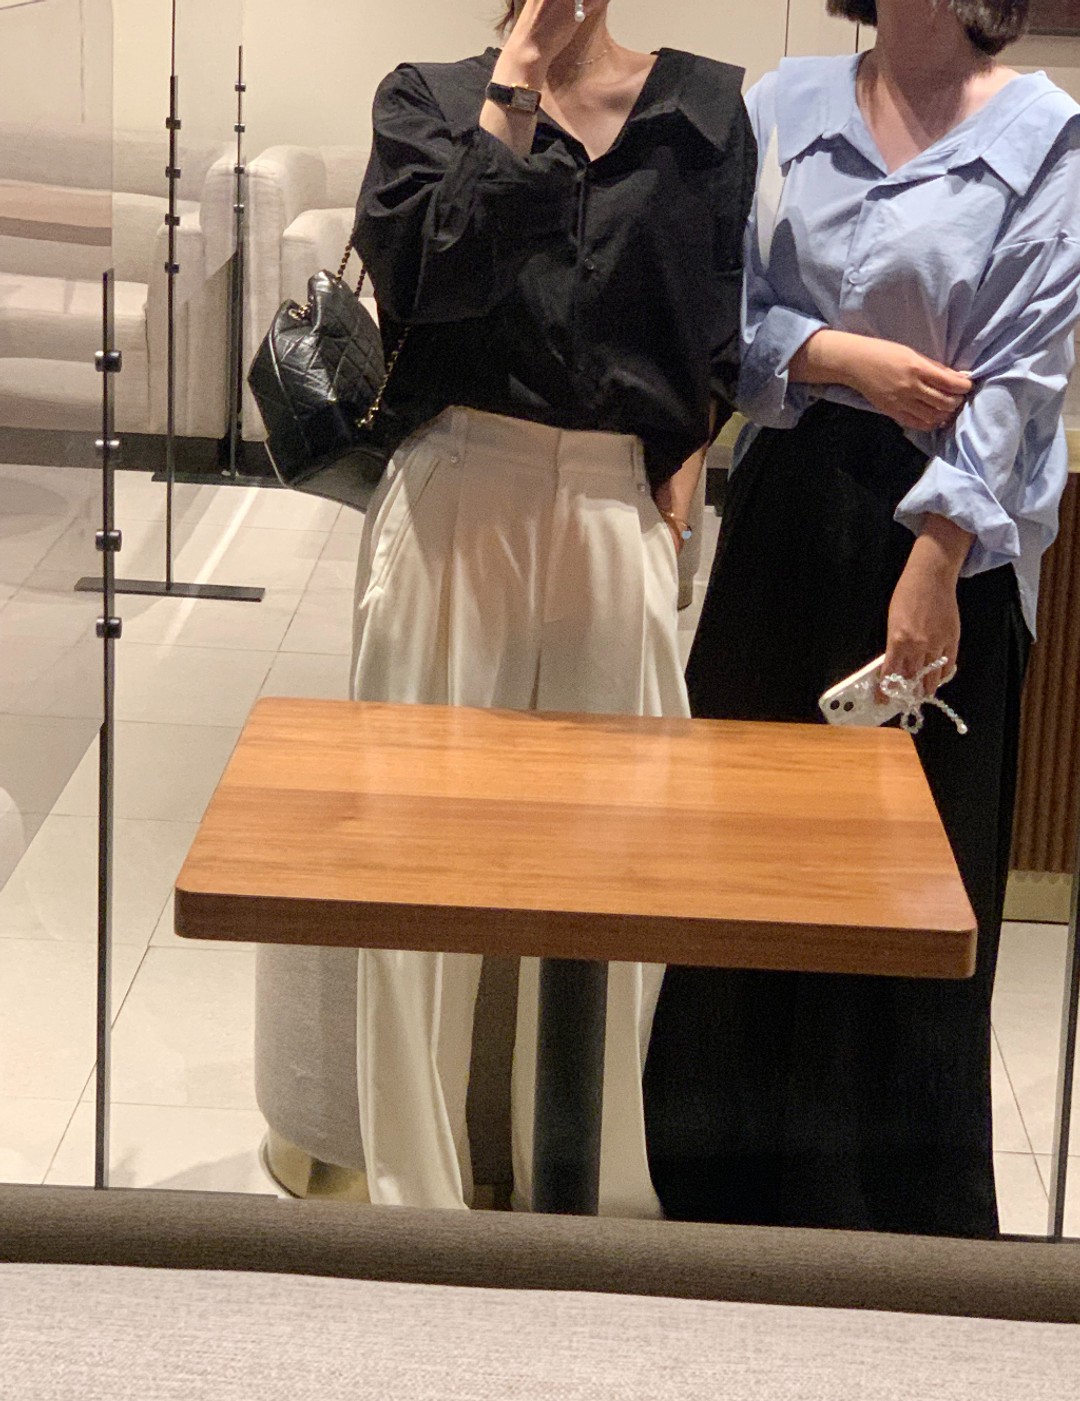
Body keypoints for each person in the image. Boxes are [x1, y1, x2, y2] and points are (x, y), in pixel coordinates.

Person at [645, 0, 1080, 1238]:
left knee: (908, 878)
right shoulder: (783, 105)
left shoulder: (1048, 135)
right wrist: (840, 357)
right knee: (750, 850)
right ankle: (719, 1183)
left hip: (951, 538)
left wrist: (938, 556)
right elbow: (719, 308)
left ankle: (893, 1215)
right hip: (788, 510)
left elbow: (1024, 375)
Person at [346, 0, 754, 1213]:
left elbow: (717, 330)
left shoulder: (704, 111)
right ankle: (415, 1205)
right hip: (456, 485)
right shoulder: (428, 99)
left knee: (622, 869)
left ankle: (593, 1207)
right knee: (408, 861)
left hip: (615, 505)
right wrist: (516, 82)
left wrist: (675, 486)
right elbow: (426, 281)